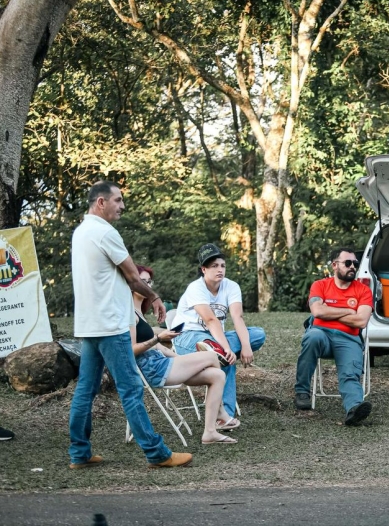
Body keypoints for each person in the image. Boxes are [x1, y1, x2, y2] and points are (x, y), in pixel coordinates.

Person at [69, 181, 192, 469]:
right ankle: (157, 453)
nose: (122, 206)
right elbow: (134, 277)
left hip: (90, 325)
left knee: (86, 389)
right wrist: (156, 297)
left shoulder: (81, 232)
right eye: (118, 200)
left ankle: (79, 453)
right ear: (101, 202)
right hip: (111, 326)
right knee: (131, 389)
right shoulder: (104, 232)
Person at [132, 265, 237, 444]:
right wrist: (158, 338)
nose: (147, 285)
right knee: (212, 356)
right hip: (151, 370)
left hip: (161, 362)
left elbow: (157, 348)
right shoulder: (128, 313)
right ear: (132, 282)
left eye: (149, 281)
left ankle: (210, 432)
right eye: (143, 281)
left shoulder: (139, 311)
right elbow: (131, 349)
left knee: (217, 375)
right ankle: (221, 412)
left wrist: (179, 359)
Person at [172, 243, 266, 424]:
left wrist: (245, 346)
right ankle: (224, 417)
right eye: (214, 266)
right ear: (203, 269)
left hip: (216, 338)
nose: (219, 270)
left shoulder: (231, 287)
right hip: (188, 337)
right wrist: (226, 347)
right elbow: (211, 320)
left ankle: (217, 354)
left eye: (222, 265)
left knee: (257, 334)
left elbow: (237, 317)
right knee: (225, 356)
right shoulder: (195, 288)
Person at [293, 247, 373, 426]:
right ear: (335, 265)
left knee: (350, 374)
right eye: (347, 263)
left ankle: (354, 409)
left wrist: (329, 312)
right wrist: (347, 310)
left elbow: (361, 321)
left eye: (355, 263)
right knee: (312, 337)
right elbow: (317, 311)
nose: (352, 266)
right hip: (321, 335)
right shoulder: (320, 285)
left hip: (348, 339)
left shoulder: (363, 290)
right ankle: (302, 391)